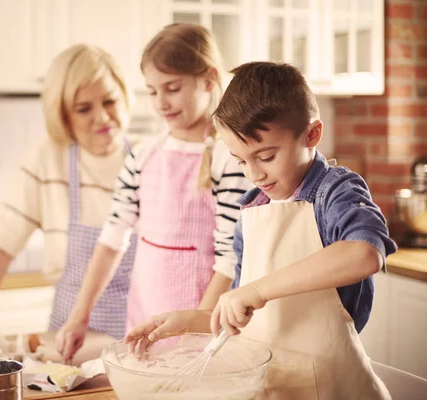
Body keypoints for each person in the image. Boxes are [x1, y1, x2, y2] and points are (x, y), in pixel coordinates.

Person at [125, 61, 398, 399]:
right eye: (241, 161)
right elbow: (242, 313)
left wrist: (259, 290)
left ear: (311, 134)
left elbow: (364, 254)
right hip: (275, 388)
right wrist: (190, 321)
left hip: (335, 387)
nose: (253, 174)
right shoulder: (253, 209)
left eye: (266, 156)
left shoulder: (335, 191)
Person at [0, 44, 138, 348]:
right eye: (84, 108)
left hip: (138, 333)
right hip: (69, 337)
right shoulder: (49, 158)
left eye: (110, 101)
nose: (102, 117)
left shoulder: (147, 157)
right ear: (63, 115)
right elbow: (2, 245)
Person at [56, 23, 252, 363]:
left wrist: (196, 335)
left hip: (204, 333)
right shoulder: (143, 155)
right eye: (152, 91)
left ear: (208, 79)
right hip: (144, 324)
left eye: (172, 88)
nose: (161, 102)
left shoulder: (230, 158)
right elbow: (111, 240)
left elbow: (230, 261)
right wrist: (79, 319)